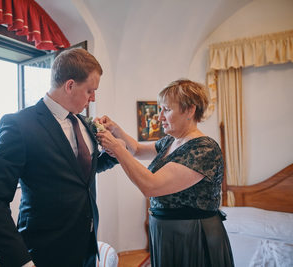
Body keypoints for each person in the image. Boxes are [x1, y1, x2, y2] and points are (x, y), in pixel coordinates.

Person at [0, 48, 118, 267]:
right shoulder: (19, 125)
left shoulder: (84, 123)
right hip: (44, 251)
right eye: (90, 90)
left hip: (87, 247)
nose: (93, 98)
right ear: (70, 85)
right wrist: (20, 260)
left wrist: (114, 153)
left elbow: (80, 173)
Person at [96, 79, 234, 267]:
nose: (159, 117)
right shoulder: (171, 141)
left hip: (191, 235)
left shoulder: (204, 149)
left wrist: (117, 149)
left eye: (166, 110)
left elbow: (151, 186)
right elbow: (136, 149)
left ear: (189, 110)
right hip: (166, 232)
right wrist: (116, 129)